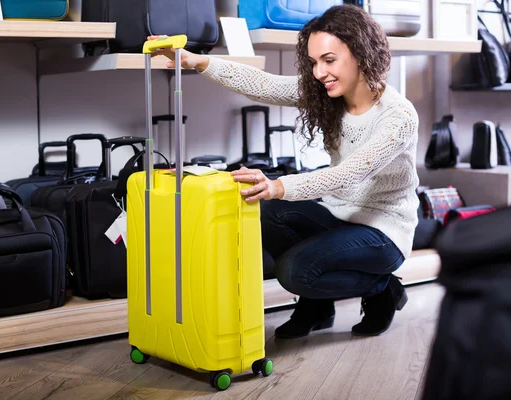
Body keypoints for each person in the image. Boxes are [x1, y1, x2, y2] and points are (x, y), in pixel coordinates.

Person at [150, 4, 419, 339]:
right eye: (314, 62)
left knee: (293, 271)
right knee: (266, 211)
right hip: (340, 214)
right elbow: (266, 84)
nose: (319, 72)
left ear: (361, 53)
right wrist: (197, 61)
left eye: (329, 60)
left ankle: (382, 288)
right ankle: (318, 307)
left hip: (384, 231)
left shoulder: (398, 116)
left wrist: (279, 185)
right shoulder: (328, 93)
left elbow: (349, 174)